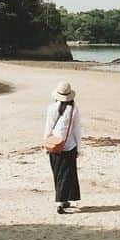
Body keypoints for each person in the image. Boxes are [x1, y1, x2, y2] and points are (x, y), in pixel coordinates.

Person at [44, 81, 81, 214]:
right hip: (69, 145)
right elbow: (77, 130)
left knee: (58, 173)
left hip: (54, 145)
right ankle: (61, 201)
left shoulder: (52, 108)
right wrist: (79, 148)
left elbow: (48, 128)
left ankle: (63, 200)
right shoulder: (74, 109)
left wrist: (46, 145)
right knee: (68, 174)